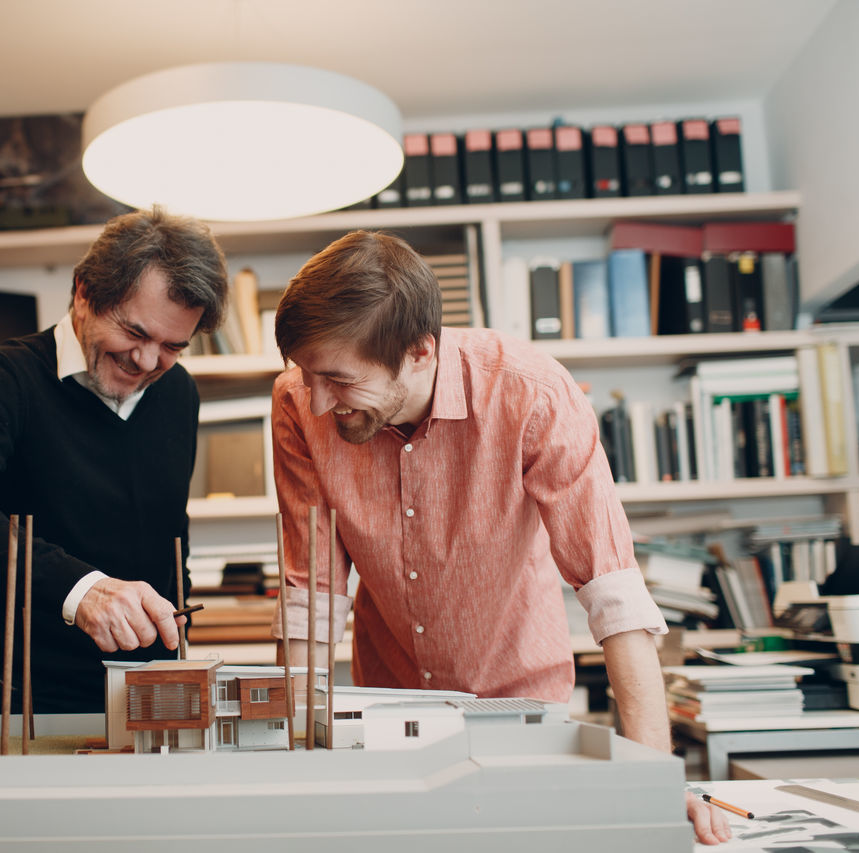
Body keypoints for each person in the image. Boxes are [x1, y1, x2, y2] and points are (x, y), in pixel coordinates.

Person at [267, 230, 730, 844]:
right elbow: (312, 594)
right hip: (387, 716)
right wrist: (288, 757)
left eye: (339, 380)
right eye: (306, 372)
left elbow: (612, 590)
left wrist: (656, 781)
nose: (318, 401)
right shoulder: (298, 402)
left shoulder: (531, 393)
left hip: (524, 716)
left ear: (419, 352)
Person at [0, 207, 229, 713]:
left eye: (172, 346)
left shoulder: (179, 392)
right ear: (83, 293)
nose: (146, 363)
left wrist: (178, 643)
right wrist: (83, 592)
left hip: (147, 694)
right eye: (134, 333)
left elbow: (171, 531)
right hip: (17, 698)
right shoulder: (5, 377)